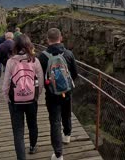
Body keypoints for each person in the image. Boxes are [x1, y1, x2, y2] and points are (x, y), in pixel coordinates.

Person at [38, 28, 78, 160]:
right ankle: (67, 135)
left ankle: (58, 154)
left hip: (52, 94)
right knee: (67, 113)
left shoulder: (42, 56)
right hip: (67, 91)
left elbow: (40, 77)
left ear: (47, 39)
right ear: (60, 38)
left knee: (55, 121)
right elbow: (75, 74)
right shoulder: (69, 54)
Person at [3, 34, 43, 159]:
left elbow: (6, 84)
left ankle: (21, 157)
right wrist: (37, 94)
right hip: (31, 99)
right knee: (32, 124)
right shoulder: (35, 60)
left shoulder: (11, 61)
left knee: (18, 131)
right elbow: (40, 81)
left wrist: (7, 99)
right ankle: (33, 146)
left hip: (15, 100)